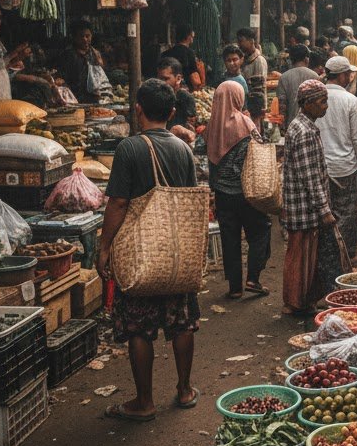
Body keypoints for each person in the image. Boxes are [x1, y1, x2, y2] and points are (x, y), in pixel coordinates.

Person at [96, 79, 200, 422]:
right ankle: (184, 390)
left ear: (137, 108)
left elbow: (119, 202)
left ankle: (144, 401)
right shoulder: (183, 149)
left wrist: (104, 246)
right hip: (176, 252)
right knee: (182, 319)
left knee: (138, 326)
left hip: (141, 253)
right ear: (171, 113)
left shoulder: (129, 148)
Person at [282, 79, 342, 315]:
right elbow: (310, 177)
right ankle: (296, 303)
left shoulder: (299, 125)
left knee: (305, 254)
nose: (325, 107)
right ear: (307, 104)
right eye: (322, 102)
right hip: (304, 206)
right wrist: (324, 209)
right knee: (302, 255)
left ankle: (302, 300)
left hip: (300, 203)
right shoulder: (304, 131)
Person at [206, 80, 271, 298]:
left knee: (230, 239)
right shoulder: (245, 123)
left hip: (223, 194)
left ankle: (234, 288)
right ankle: (253, 278)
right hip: (246, 191)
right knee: (260, 231)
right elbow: (259, 148)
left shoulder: (211, 126)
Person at [317, 56, 357, 257]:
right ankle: (344, 254)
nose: (350, 76)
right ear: (340, 75)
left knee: (325, 212)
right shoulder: (350, 100)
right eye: (348, 73)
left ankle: (327, 252)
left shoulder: (315, 97)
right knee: (347, 213)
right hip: (344, 166)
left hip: (321, 167)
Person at [60, 20, 107, 104]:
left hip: (94, 98)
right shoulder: (69, 55)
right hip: (75, 99)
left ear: (91, 36)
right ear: (74, 38)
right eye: (81, 36)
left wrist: (100, 63)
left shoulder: (94, 53)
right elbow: (63, 79)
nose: (85, 39)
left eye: (87, 36)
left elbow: (101, 76)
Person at [157, 56, 197, 144]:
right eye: (159, 79)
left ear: (178, 78)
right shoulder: (156, 97)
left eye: (165, 79)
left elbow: (190, 128)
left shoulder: (186, 98)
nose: (161, 83)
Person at [277, 44, 315, 127]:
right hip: (311, 124)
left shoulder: (284, 77)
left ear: (290, 60)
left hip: (291, 124)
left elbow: (282, 105)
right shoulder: (314, 76)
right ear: (306, 59)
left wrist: (282, 127)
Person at [237, 28, 268, 122]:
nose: (239, 44)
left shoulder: (259, 60)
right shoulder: (245, 59)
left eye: (241, 41)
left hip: (255, 109)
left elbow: (258, 90)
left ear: (251, 41)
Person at [163, 24, 199, 89]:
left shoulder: (166, 53)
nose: (192, 39)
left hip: (168, 87)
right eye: (192, 36)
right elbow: (193, 75)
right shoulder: (190, 53)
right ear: (188, 36)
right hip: (185, 88)